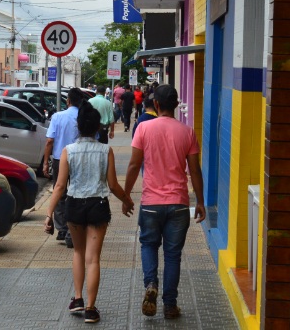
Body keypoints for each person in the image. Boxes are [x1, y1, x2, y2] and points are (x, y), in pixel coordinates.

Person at [44, 101, 133, 324]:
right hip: (98, 206)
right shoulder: (106, 150)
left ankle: (77, 299)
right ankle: (91, 309)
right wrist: (127, 200)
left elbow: (60, 186)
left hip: (74, 205)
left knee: (78, 254)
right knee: (93, 259)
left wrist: (48, 214)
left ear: (78, 126)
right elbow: (112, 185)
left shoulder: (68, 151)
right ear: (97, 127)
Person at [122, 85, 205, 320]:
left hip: (150, 203)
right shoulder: (187, 132)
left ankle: (151, 284)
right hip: (179, 204)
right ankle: (170, 305)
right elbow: (195, 170)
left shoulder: (144, 128)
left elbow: (134, 165)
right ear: (176, 105)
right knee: (172, 255)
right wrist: (200, 201)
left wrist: (126, 195)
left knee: (148, 245)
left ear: (156, 105)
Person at [42, 87, 85, 247]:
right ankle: (70, 230)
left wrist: (46, 162)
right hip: (79, 159)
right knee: (76, 194)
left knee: (59, 192)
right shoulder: (83, 117)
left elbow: (49, 141)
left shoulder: (57, 117)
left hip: (60, 159)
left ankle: (62, 228)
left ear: (68, 101)